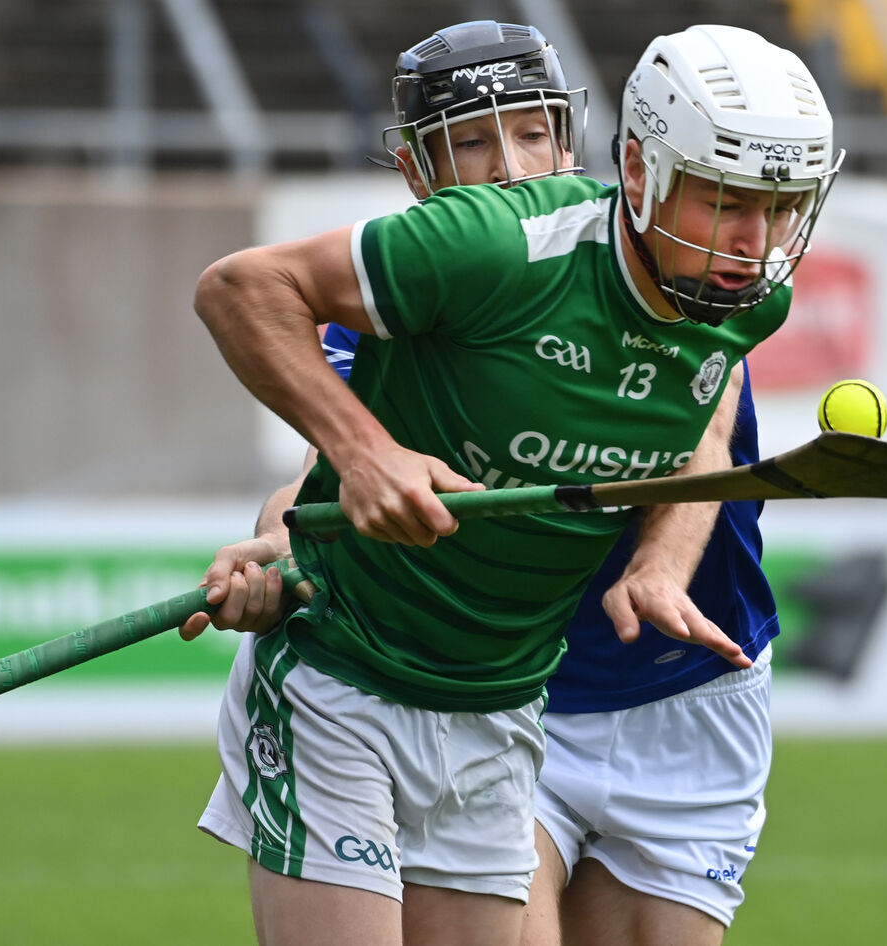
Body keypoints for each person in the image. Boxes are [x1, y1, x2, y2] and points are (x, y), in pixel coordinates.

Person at [188, 21, 840, 946]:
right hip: (348, 672)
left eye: (782, 209)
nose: (755, 240)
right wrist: (302, 520)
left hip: (504, 704)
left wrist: (659, 562)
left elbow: (706, 411)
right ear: (642, 169)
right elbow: (259, 330)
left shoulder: (740, 296)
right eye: (729, 202)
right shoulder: (479, 248)